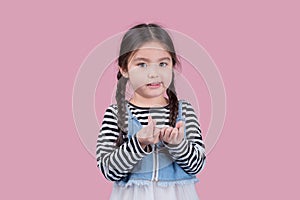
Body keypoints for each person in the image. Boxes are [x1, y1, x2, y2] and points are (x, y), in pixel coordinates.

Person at [96, 23, 206, 200]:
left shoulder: (184, 112)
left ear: (172, 66)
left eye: (163, 63)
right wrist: (138, 144)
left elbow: (197, 165)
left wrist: (178, 144)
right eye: (142, 64)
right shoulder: (115, 114)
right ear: (124, 69)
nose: (154, 73)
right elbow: (108, 169)